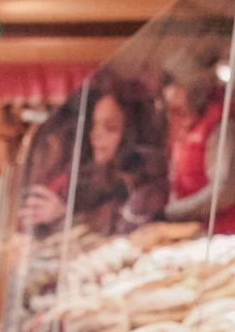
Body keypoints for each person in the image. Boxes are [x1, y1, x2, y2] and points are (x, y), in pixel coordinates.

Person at [16, 73, 146, 233]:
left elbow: (114, 232)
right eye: (95, 125)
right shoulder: (91, 177)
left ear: (129, 135)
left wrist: (63, 215)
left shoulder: (134, 183)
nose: (95, 135)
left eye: (109, 127)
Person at [160, 53, 235, 236]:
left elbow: (224, 191)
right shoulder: (192, 126)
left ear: (191, 87)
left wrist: (174, 211)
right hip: (207, 235)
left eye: (177, 87)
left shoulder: (224, 126)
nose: (171, 97)